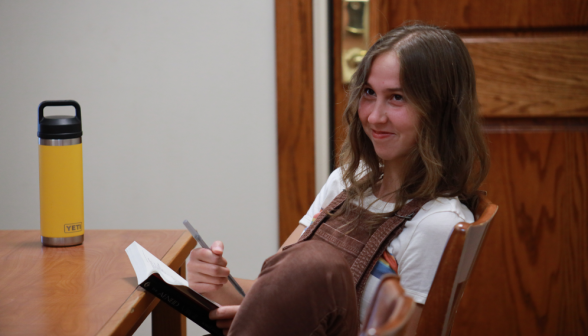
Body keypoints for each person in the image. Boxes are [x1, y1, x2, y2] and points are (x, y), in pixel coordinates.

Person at [187, 23, 489, 336]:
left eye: (397, 98)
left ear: (441, 111)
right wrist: (215, 285)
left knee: (316, 264)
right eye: (369, 93)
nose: (374, 116)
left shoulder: (438, 223)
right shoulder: (346, 182)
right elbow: (275, 298)